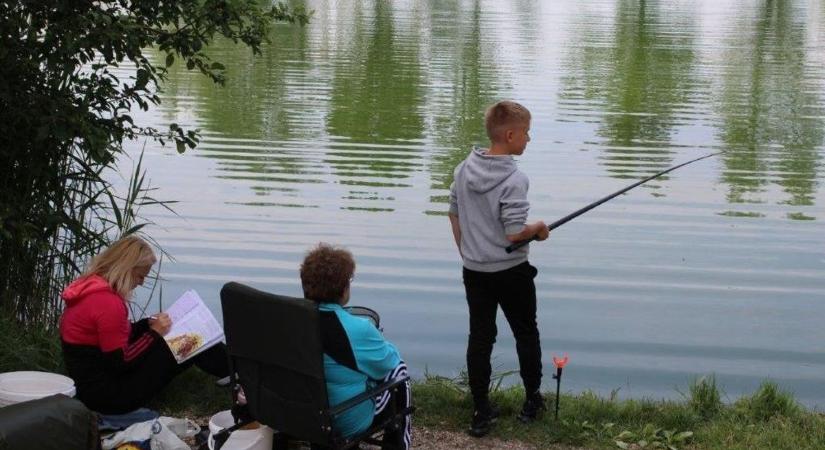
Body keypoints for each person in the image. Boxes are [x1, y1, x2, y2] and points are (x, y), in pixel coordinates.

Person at [448, 100, 550, 437]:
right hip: (510, 272)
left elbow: (453, 210)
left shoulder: (463, 169)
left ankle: (481, 409)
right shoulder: (514, 179)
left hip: (474, 270)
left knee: (480, 338)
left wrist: (466, 249)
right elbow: (513, 233)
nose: (529, 140)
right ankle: (532, 401)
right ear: (509, 135)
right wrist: (537, 228)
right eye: (526, 134)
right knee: (525, 331)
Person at [59, 235, 230, 414]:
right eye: (140, 276)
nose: (141, 282)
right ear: (126, 269)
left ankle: (239, 373)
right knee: (191, 338)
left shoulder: (89, 288)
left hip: (92, 389)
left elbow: (112, 340)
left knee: (187, 336)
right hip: (110, 398)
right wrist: (154, 334)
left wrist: (145, 325)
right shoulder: (108, 303)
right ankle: (243, 376)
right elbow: (121, 361)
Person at [300, 243, 411, 449]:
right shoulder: (357, 329)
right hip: (343, 420)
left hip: (301, 415)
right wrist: (379, 340)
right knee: (400, 375)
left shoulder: (292, 319)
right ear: (343, 289)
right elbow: (388, 362)